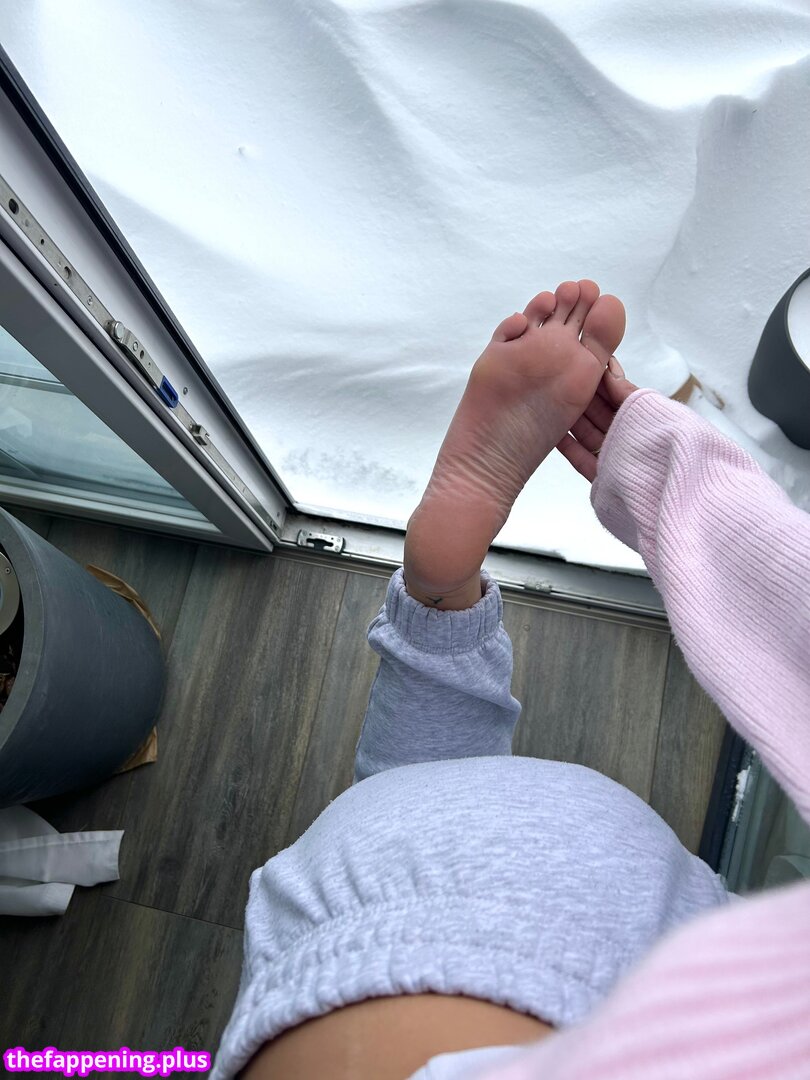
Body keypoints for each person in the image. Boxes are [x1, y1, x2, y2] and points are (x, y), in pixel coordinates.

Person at [211, 281, 810, 1079]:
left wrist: (676, 483)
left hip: (421, 895)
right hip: (407, 916)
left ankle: (439, 604)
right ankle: (437, 603)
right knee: (417, 789)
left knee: (427, 791)